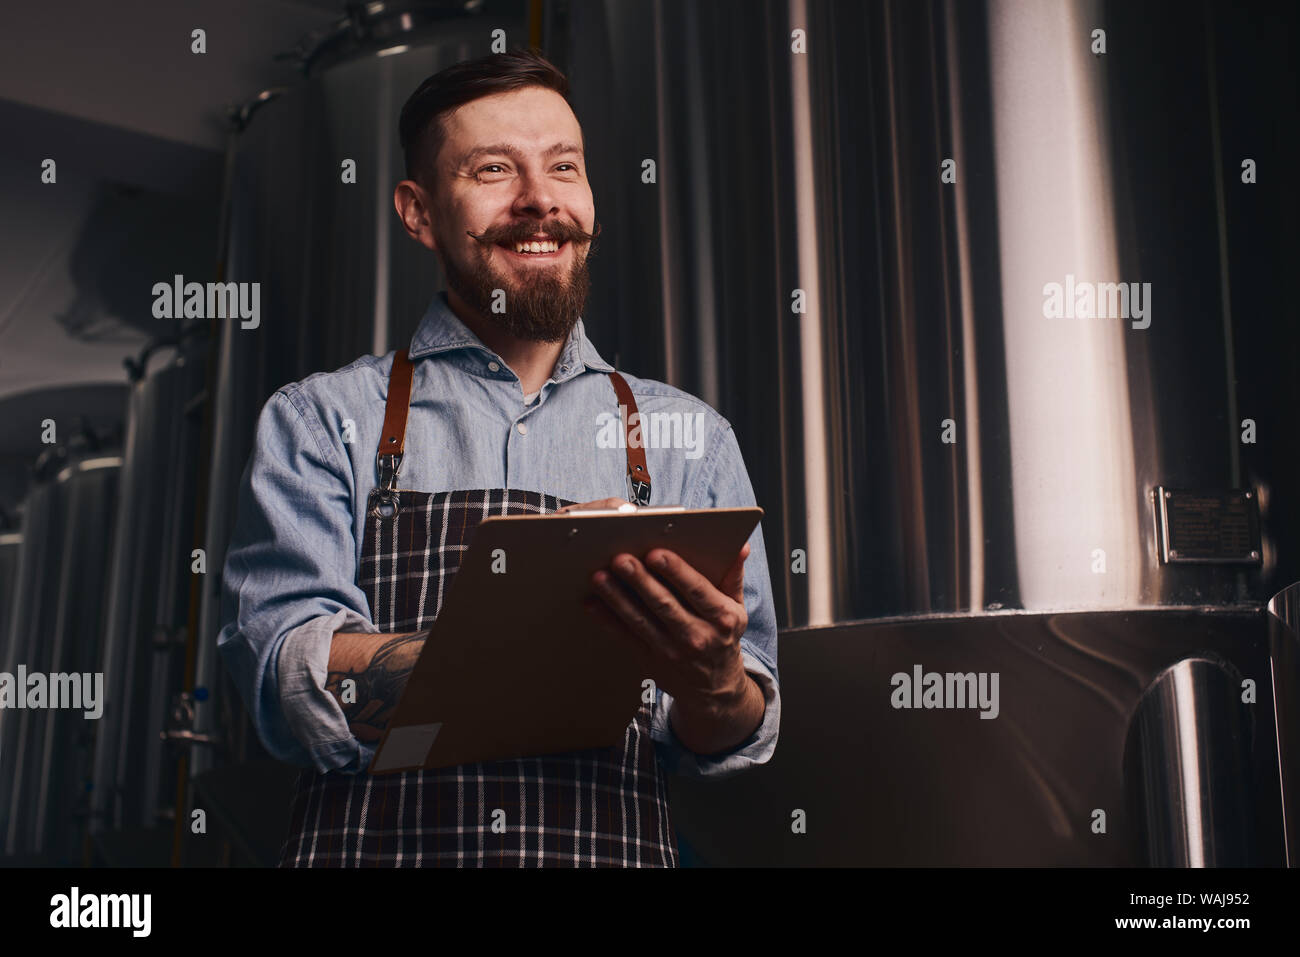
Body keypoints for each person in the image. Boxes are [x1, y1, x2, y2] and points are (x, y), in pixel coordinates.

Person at [217, 47, 779, 868]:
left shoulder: (690, 437)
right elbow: (285, 673)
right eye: (492, 170)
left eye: (564, 166)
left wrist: (713, 682)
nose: (541, 200)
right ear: (418, 212)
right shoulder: (321, 419)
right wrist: (540, 641)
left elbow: (739, 723)